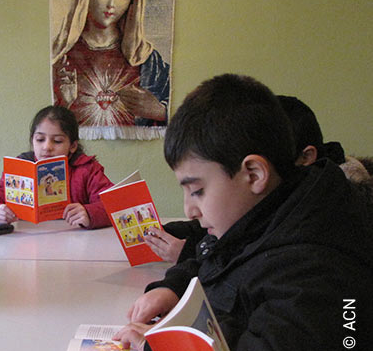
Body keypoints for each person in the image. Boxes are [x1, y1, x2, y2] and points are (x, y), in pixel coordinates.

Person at [112, 74, 372, 351]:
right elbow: (215, 261)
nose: (189, 210)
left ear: (254, 175)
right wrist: (173, 288)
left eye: (197, 190)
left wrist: (173, 339)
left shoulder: (317, 266)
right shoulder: (261, 216)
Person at [148, 93, 366, 263]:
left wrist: (187, 254)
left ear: (306, 157)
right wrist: (168, 230)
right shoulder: (285, 197)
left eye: (197, 191)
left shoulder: (325, 221)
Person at [52, 0, 170, 140]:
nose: (112, 3)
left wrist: (159, 111)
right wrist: (64, 104)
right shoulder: (63, 57)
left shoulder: (147, 60)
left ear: (133, 2)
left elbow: (179, 118)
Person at [0, 105, 114, 229]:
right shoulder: (20, 167)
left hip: (76, 242)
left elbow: (114, 205)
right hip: (27, 241)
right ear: (32, 141)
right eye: (40, 139)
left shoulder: (87, 169)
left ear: (73, 146)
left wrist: (89, 213)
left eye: (57, 141)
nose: (47, 147)